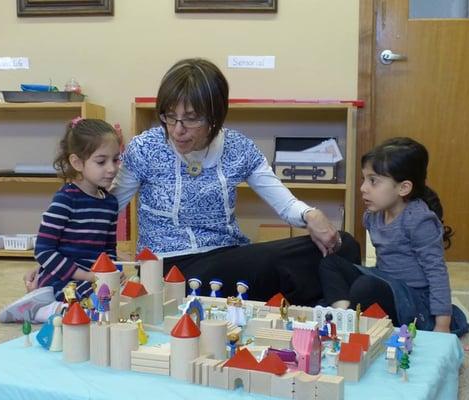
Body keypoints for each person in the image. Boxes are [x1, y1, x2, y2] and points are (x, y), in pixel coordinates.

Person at [111, 58, 361, 306]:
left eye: (191, 118)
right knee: (273, 264)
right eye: (169, 117)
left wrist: (311, 215)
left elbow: (285, 203)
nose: (177, 129)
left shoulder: (237, 147)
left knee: (341, 244)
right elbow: (109, 208)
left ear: (214, 116)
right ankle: (331, 306)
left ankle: (333, 310)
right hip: (169, 269)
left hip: (228, 258)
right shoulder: (145, 147)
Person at [318, 137, 469, 336]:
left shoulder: (419, 221)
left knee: (365, 287)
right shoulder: (374, 215)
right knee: (330, 263)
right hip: (386, 280)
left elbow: (437, 273)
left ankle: (353, 314)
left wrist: (442, 325)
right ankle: (345, 313)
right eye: (364, 179)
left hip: (412, 298)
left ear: (403, 188)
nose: (363, 188)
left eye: (373, 181)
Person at [0, 118, 123, 323]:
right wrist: (88, 276)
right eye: (101, 162)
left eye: (116, 160)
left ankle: (48, 305)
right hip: (64, 278)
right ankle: (41, 310)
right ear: (77, 162)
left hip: (92, 278)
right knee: (92, 307)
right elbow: (44, 251)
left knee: (117, 298)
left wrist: (112, 272)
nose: (111, 169)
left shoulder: (110, 203)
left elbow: (109, 249)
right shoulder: (66, 199)